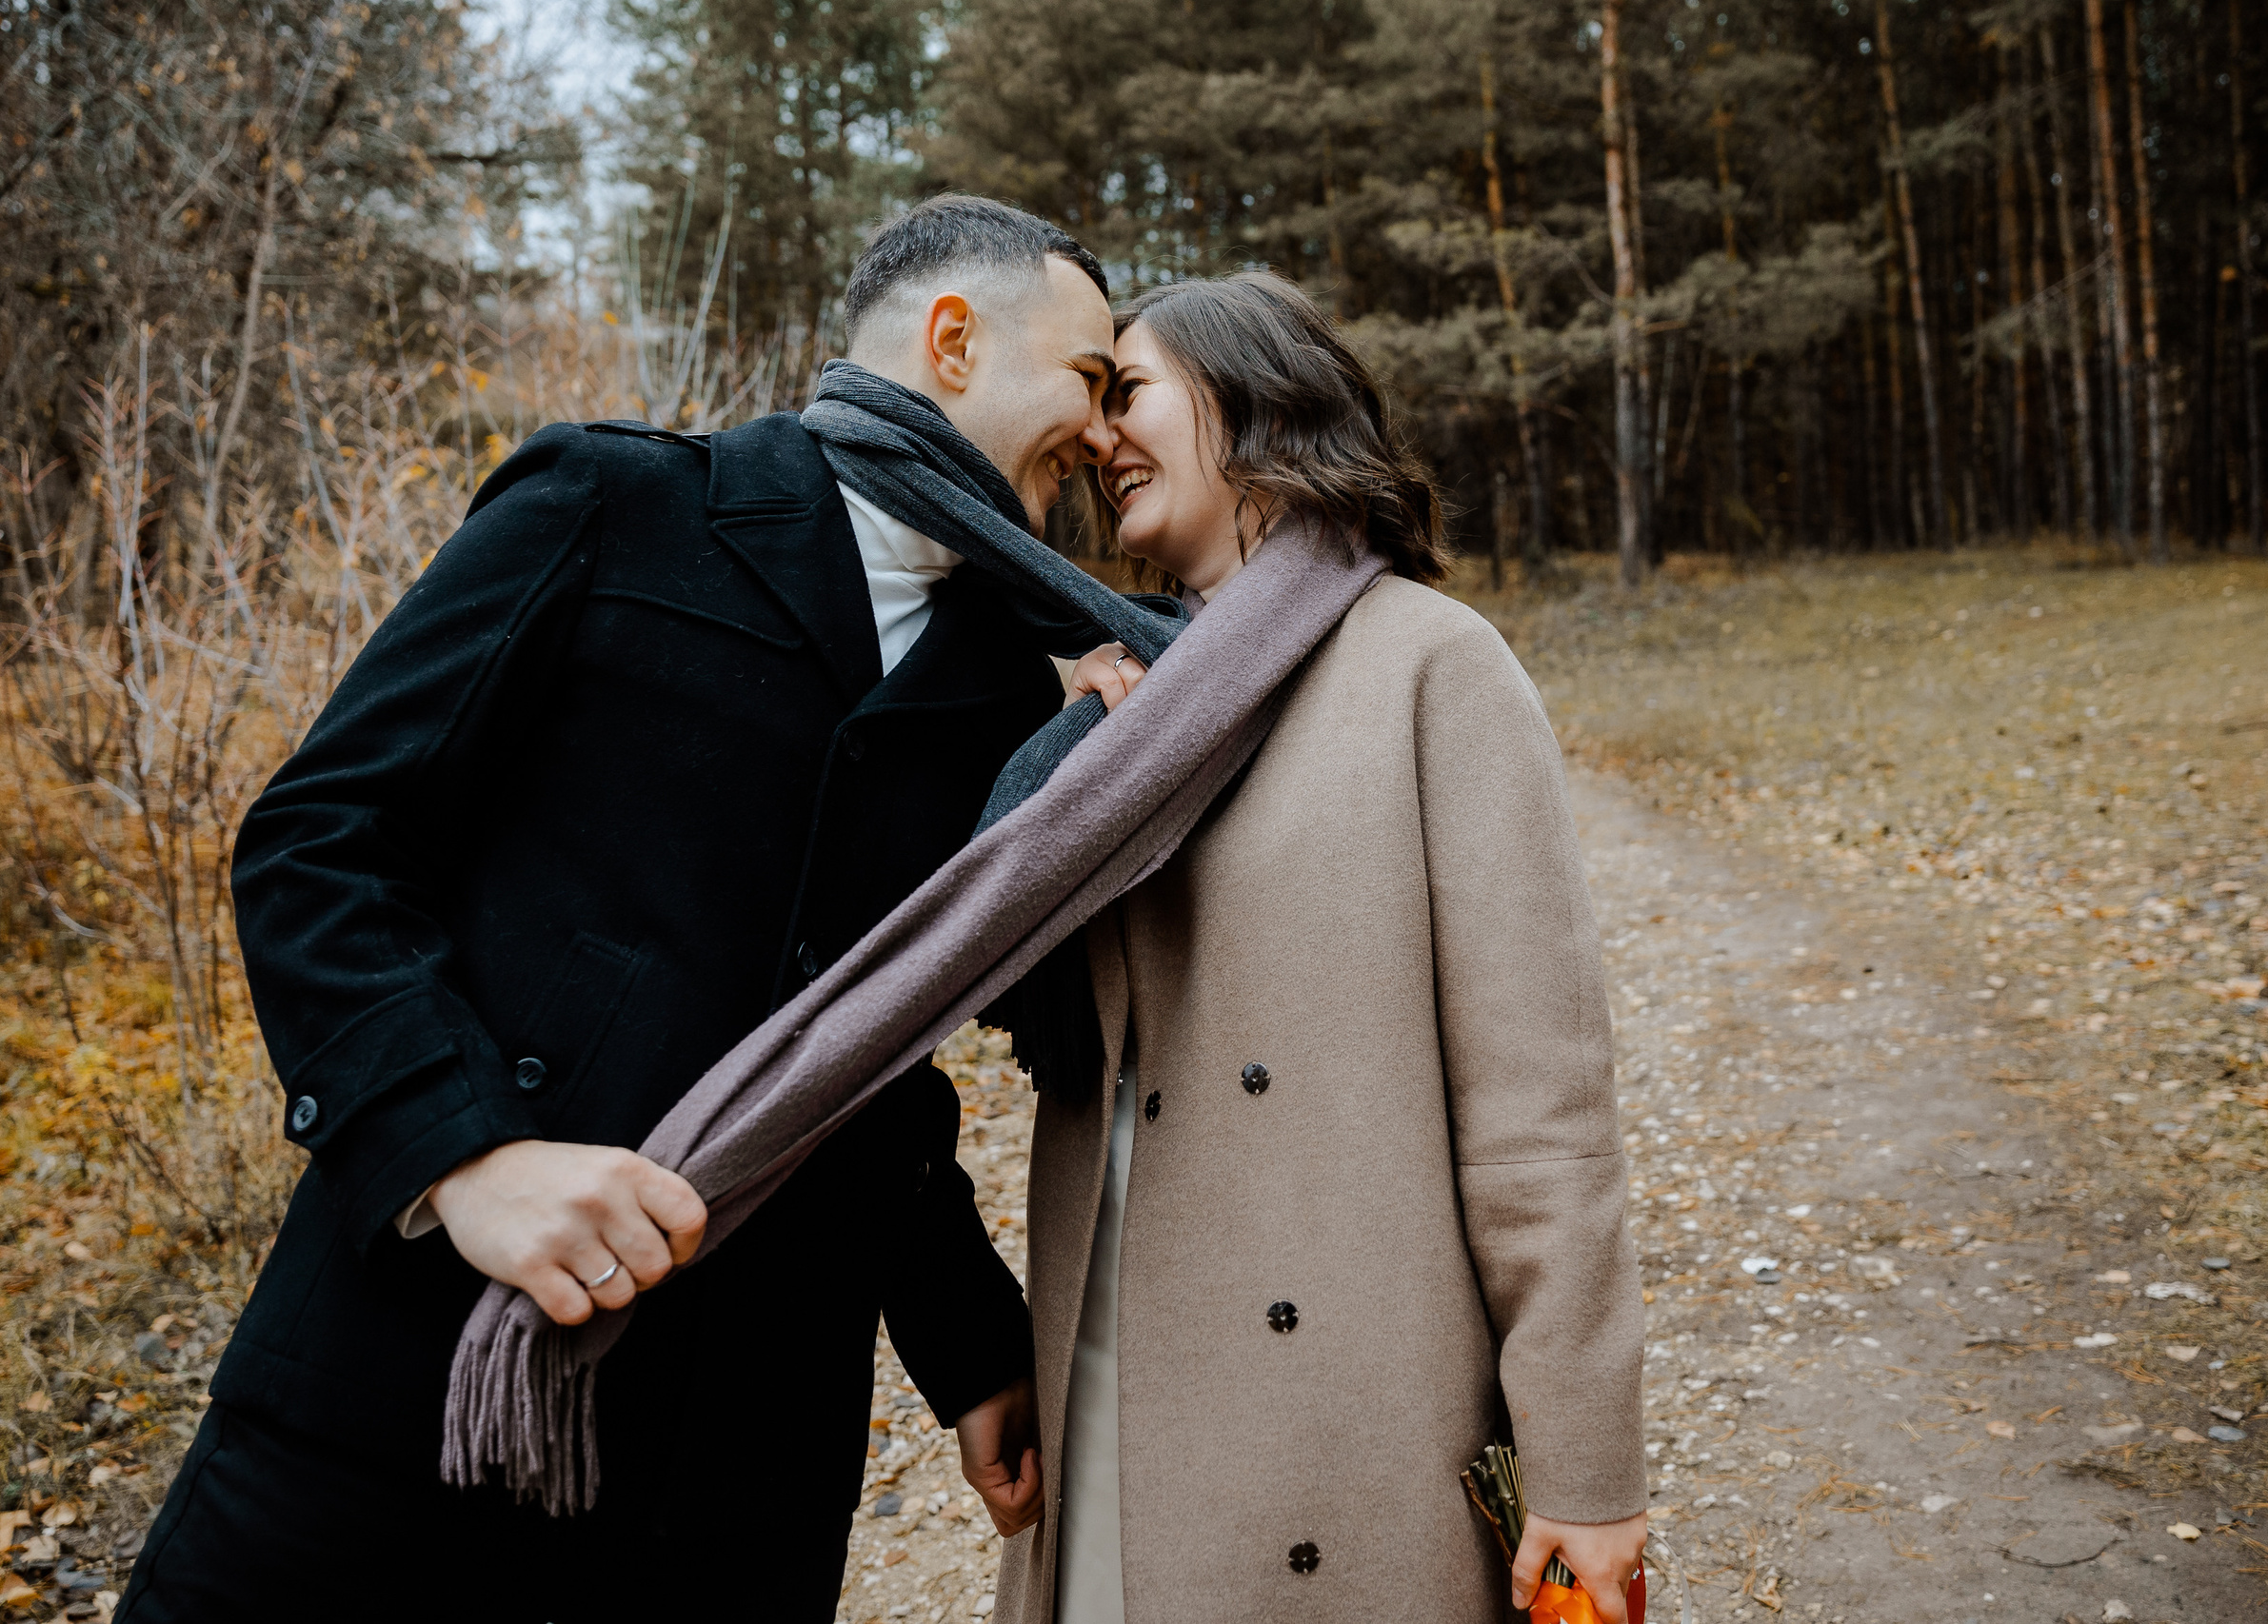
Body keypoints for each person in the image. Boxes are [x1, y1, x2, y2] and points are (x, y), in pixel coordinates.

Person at [124, 196, 1123, 1619]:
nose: (1102, 432)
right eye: (1088, 377)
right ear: (953, 339)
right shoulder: (617, 503)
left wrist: (969, 1345)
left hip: (737, 1466)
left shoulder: (998, 689)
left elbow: (868, 1057)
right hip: (414, 1384)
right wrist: (463, 1159)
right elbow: (320, 842)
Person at [993, 271, 1651, 1624]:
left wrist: (1585, 1464)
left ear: (1253, 397)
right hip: (1113, 1349)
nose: (1100, 437)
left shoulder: (1433, 665)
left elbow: (1541, 1115)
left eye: (1131, 392)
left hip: (1340, 1400)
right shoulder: (1117, 696)